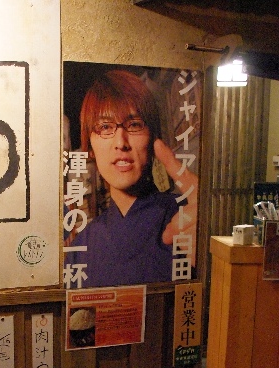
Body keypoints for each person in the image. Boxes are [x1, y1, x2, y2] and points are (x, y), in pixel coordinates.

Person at [66, 70, 197, 288]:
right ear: (90, 147)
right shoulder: (80, 248)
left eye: (134, 124)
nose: (121, 142)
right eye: (105, 127)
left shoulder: (187, 220)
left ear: (153, 138)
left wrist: (216, 244)